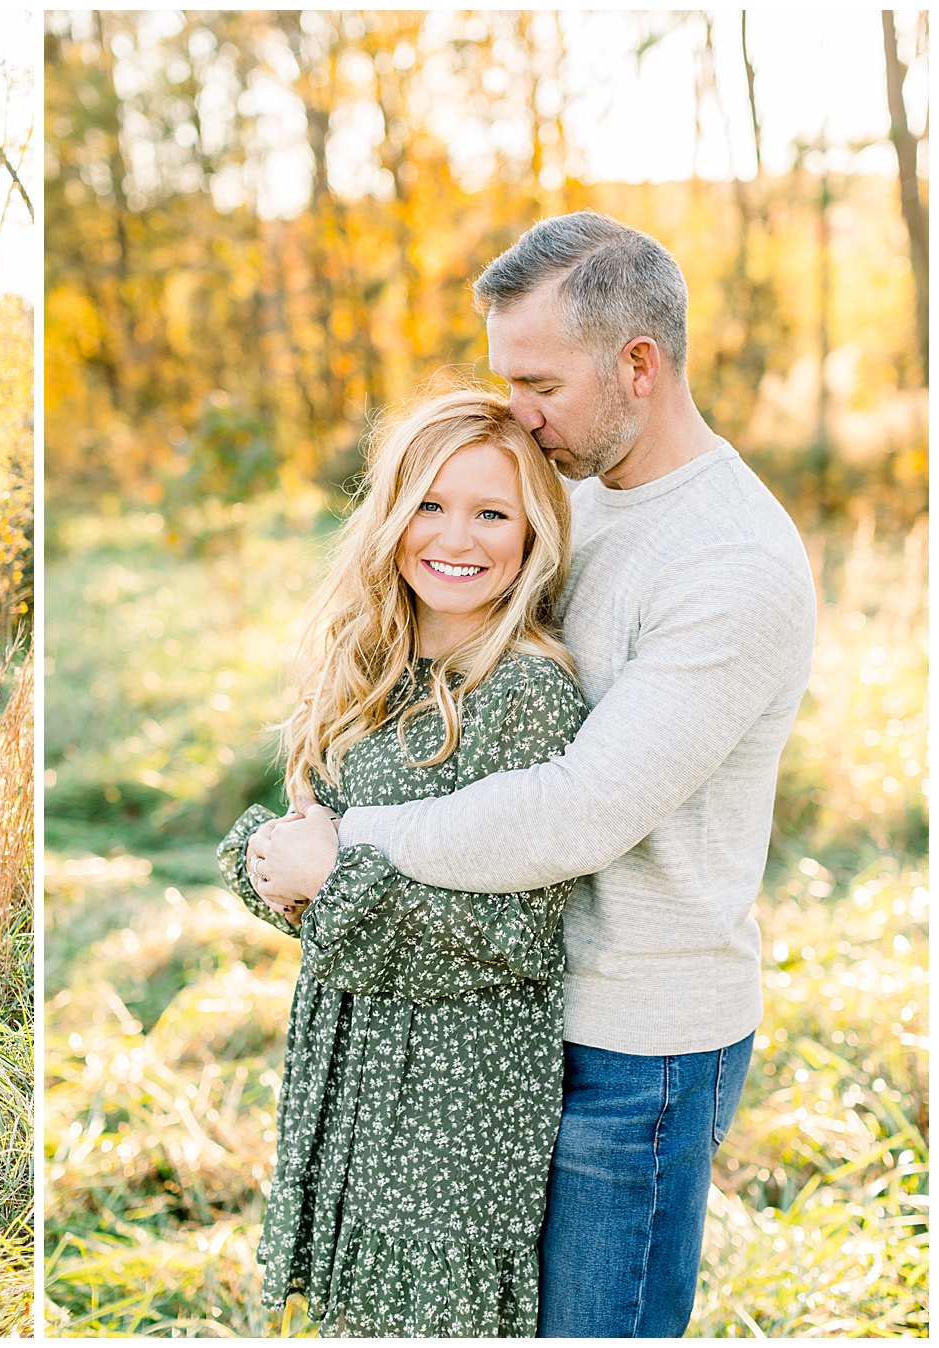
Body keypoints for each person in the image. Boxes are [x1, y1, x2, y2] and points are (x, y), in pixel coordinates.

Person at [249, 212, 817, 1337]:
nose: (517, 411)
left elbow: (576, 810)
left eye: (539, 381)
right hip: (505, 1024)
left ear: (638, 366)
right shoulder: (579, 494)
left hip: (635, 1046)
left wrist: (347, 847)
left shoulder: (734, 562)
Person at [217, 384, 586, 1336]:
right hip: (354, 1054)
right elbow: (315, 839)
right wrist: (274, 860)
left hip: (457, 1090)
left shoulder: (529, 695)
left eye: (490, 512)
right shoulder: (370, 667)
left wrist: (330, 878)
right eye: (429, 503)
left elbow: (518, 936)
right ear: (390, 516)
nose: (455, 537)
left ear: (533, 529)